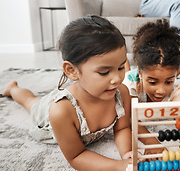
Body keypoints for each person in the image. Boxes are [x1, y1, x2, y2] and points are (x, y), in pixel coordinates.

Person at [3, 16, 133, 170]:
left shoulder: (122, 93)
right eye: (104, 72)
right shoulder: (61, 112)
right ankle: (13, 89)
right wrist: (118, 166)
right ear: (72, 71)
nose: (117, 79)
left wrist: (127, 153)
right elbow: (76, 156)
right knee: (31, 103)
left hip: (77, 92)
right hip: (48, 113)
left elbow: (122, 128)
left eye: (120, 67)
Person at [123, 19, 180, 103]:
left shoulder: (176, 91)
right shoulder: (128, 86)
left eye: (168, 82)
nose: (161, 91)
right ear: (140, 73)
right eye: (153, 82)